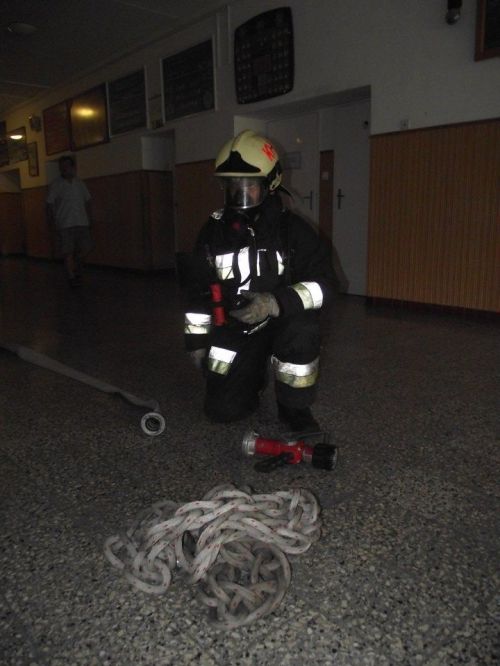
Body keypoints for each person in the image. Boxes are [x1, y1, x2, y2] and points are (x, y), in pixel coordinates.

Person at [184, 129, 335, 434]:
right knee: (223, 411)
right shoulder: (213, 233)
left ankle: (293, 407)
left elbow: (326, 286)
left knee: (303, 330)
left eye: (249, 185)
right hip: (236, 327)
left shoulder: (294, 231)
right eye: (232, 185)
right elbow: (197, 292)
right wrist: (197, 343)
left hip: (284, 322)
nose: (239, 193)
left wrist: (275, 303)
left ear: (271, 184)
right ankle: (251, 380)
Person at [46, 155, 93, 287]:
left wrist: (90, 219)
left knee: (86, 249)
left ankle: (76, 267)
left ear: (73, 167)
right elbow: (49, 204)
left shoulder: (80, 183)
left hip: (82, 222)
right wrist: (51, 222)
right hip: (65, 223)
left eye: (67, 165)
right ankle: (71, 277)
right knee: (68, 251)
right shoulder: (56, 185)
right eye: (62, 166)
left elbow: (88, 201)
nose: (64, 168)